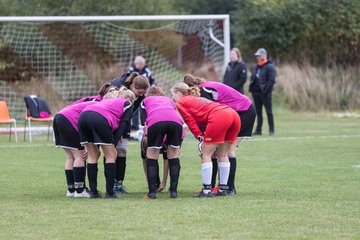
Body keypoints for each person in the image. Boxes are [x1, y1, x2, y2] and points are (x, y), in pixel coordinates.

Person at [183, 74, 256, 195]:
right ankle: (212, 187)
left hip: (243, 112)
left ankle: (229, 188)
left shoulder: (203, 91)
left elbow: (211, 112)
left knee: (228, 150)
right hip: (236, 112)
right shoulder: (204, 87)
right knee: (216, 150)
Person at [171, 83, 240, 198]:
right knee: (222, 154)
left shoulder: (180, 102)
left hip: (220, 116)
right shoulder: (195, 98)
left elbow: (190, 121)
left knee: (205, 153)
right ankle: (223, 189)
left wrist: (199, 136)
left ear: (178, 93)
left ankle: (207, 190)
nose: (172, 98)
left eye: (173, 94)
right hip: (233, 114)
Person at [53, 84, 113, 198]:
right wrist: (86, 145)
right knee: (80, 156)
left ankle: (71, 190)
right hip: (69, 121)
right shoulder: (99, 104)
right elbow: (86, 123)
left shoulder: (91, 99)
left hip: (59, 117)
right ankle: (80, 190)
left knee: (71, 156)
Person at [77, 88, 135, 198]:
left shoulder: (106, 102)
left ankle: (93, 192)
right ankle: (110, 192)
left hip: (83, 116)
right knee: (111, 155)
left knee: (93, 156)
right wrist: (113, 143)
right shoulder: (128, 104)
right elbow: (124, 124)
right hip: (99, 118)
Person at [140, 86, 183, 199]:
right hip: (176, 122)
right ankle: (173, 192)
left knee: (152, 154)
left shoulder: (145, 101)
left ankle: (152, 193)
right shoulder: (168, 100)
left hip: (156, 121)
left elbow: (144, 122)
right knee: (173, 155)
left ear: (147, 94)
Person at [110, 72, 150, 194]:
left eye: (144, 93)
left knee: (122, 151)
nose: (142, 95)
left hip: (124, 122)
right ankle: (110, 184)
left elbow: (130, 113)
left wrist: (123, 131)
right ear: (133, 87)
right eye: (140, 92)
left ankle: (119, 184)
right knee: (111, 151)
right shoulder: (116, 87)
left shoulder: (140, 96)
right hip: (112, 121)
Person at [249, 48, 276, 136]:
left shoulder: (270, 66)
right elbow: (253, 78)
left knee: (269, 111)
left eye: (259, 55)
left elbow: (271, 80)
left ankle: (271, 130)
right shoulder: (256, 66)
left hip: (265, 93)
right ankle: (258, 130)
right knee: (258, 112)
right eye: (257, 56)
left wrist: (265, 90)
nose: (257, 57)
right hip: (256, 93)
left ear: (264, 56)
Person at [127, 56, 155, 131]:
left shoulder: (147, 71)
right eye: (140, 64)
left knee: (144, 108)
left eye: (142, 64)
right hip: (134, 93)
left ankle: (146, 124)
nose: (141, 65)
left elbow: (152, 81)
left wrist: (151, 90)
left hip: (145, 93)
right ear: (136, 64)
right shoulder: (131, 70)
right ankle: (135, 126)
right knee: (134, 109)